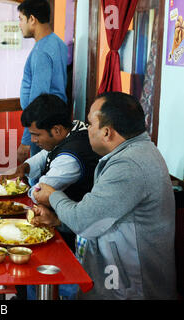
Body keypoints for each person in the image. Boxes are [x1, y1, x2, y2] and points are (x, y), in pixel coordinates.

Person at [33, 92, 177, 299]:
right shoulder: (134, 152)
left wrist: (52, 196)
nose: (87, 129)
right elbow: (102, 216)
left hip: (130, 288)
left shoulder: (129, 165)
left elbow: (82, 220)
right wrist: (56, 220)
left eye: (91, 123)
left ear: (107, 132)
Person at [2, 94, 99, 251]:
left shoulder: (70, 159)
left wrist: (25, 185)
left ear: (57, 130)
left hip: (73, 232)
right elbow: (45, 154)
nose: (33, 140)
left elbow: (40, 192)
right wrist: (25, 167)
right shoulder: (70, 128)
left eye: (36, 134)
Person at [16, 0, 68, 166]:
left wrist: (27, 140)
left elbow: (38, 99)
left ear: (32, 19)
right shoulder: (57, 42)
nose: (19, 25)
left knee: (38, 177)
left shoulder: (41, 51)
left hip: (43, 126)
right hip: (53, 122)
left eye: (20, 19)